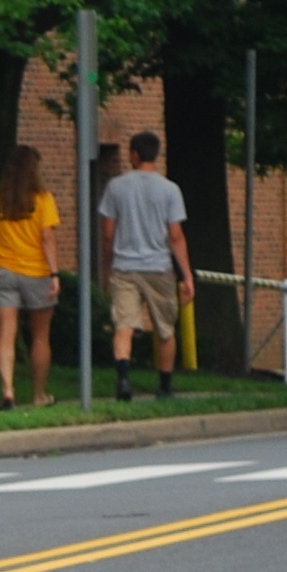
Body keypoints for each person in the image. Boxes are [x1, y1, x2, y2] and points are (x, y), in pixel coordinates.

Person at [98, 130, 194, 400]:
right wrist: (186, 275)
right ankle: (164, 387)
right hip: (158, 267)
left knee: (124, 326)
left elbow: (108, 233)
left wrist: (108, 266)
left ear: (135, 155)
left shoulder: (116, 187)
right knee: (164, 328)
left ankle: (124, 381)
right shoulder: (170, 190)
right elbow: (175, 236)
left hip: (125, 267)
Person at [0, 145, 63, 408]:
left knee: (5, 333)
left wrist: (5, 244)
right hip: (37, 272)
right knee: (40, 335)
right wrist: (55, 273)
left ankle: (8, 390)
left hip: (4, 271)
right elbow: (47, 237)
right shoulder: (43, 199)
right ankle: (39, 394)